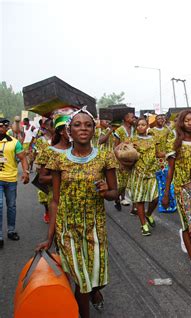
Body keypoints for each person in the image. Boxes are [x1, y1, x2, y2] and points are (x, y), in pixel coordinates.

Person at [36, 108, 118, 318]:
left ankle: (95, 291)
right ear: (69, 130)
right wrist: (49, 237)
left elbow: (115, 192)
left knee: (95, 277)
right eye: (77, 125)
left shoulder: (104, 157)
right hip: (67, 227)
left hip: (95, 226)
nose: (83, 128)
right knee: (82, 281)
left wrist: (105, 192)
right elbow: (54, 200)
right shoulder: (59, 159)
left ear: (94, 130)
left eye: (88, 125)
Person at [162, 110, 191, 278]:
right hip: (182, 190)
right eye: (187, 120)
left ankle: (186, 236)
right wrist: (166, 194)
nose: (190, 123)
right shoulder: (175, 143)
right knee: (188, 227)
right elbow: (171, 170)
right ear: (181, 122)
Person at [36, 114, 72, 224]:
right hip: (57, 200)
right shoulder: (49, 151)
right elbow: (42, 178)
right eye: (69, 128)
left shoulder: (80, 151)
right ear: (61, 131)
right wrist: (62, 176)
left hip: (78, 201)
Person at [0, 117, 29, 247]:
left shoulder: (14, 142)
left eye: (6, 127)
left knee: (11, 206)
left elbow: (23, 158)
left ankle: (11, 231)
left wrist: (26, 172)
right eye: (2, 126)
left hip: (11, 179)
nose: (4, 129)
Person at [129, 118, 159, 236]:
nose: (141, 127)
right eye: (138, 125)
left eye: (143, 124)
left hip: (151, 173)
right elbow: (127, 155)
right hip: (138, 173)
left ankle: (148, 213)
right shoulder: (132, 140)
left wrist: (171, 154)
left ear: (147, 126)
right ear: (136, 127)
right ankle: (143, 225)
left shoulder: (153, 139)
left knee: (155, 198)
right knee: (139, 200)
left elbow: (157, 154)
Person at [33, 118, 54, 223]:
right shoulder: (41, 140)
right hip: (43, 168)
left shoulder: (60, 139)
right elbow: (36, 152)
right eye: (52, 125)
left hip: (55, 169)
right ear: (47, 127)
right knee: (43, 194)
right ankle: (47, 211)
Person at [114, 111, 136, 210]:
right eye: (132, 117)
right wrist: (119, 161)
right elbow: (116, 147)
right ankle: (117, 198)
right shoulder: (119, 130)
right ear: (126, 118)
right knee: (122, 183)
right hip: (121, 159)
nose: (133, 119)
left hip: (132, 159)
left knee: (130, 182)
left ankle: (127, 202)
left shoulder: (134, 129)